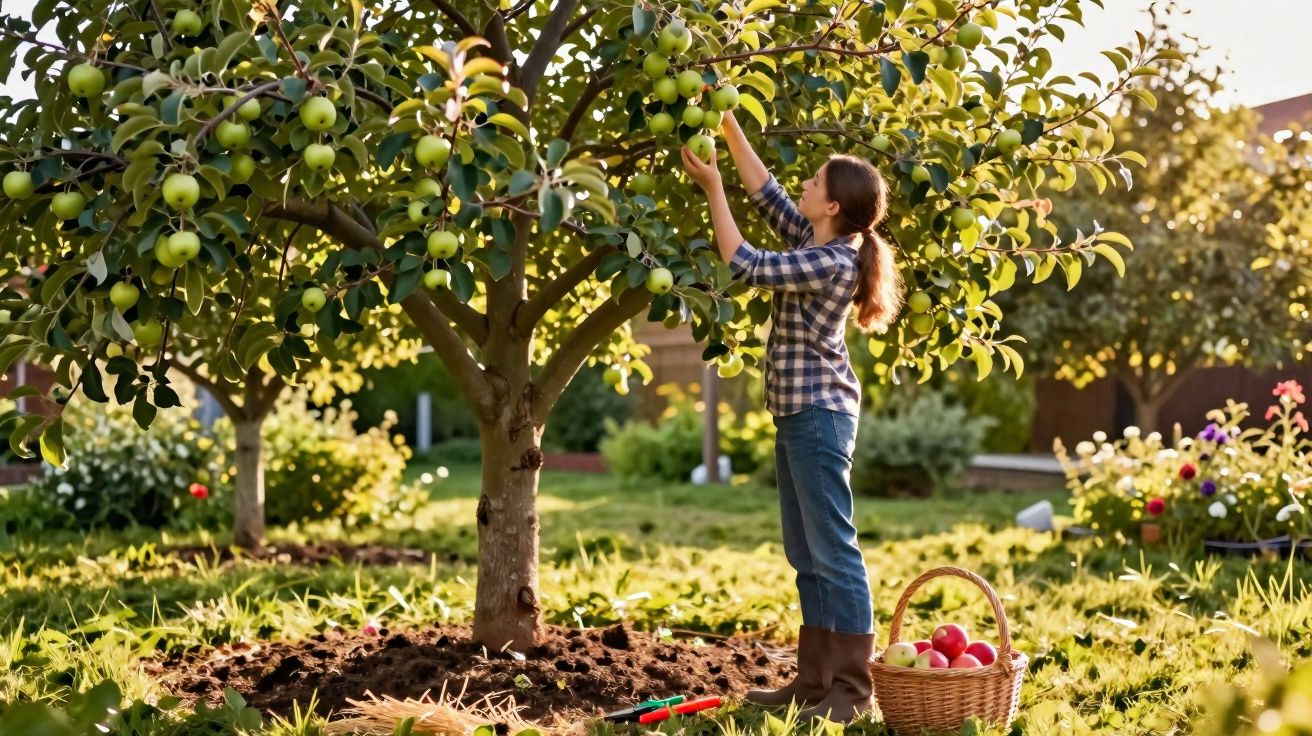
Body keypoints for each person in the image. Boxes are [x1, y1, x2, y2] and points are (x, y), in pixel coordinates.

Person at [680, 111, 903, 723]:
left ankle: (853, 692)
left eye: (813, 182)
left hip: (818, 416)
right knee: (805, 553)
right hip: (797, 415)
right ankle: (815, 680)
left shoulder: (831, 262)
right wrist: (725, 118)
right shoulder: (819, 239)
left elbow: (746, 265)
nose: (801, 186)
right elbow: (768, 191)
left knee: (834, 551)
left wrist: (712, 189)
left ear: (831, 205)